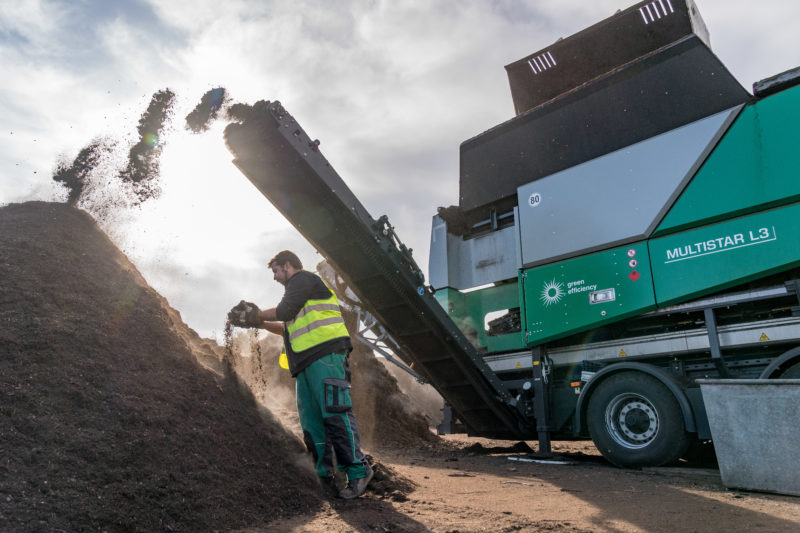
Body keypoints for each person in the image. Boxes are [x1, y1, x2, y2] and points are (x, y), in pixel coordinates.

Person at [227, 250, 373, 499]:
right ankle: (324, 476)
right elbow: (285, 326)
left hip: (326, 357)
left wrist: (255, 314)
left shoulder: (304, 279)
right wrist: (258, 322)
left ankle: (358, 472)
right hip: (305, 364)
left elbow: (283, 311)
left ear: (287, 265)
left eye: (275, 270)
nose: (274, 277)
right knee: (312, 423)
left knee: (335, 413)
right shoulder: (298, 297)